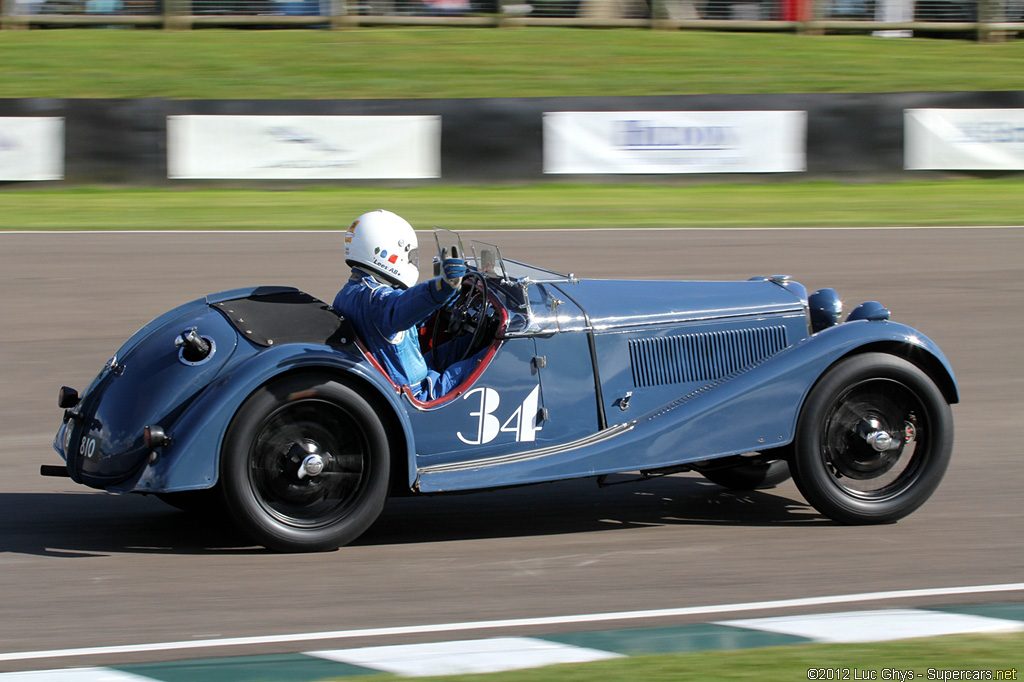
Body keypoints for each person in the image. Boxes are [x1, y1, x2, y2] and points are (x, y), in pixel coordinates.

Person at [333, 209, 483, 402]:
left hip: (408, 375)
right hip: (420, 393)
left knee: (469, 341)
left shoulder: (352, 291)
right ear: (385, 251)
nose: (411, 261)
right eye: (409, 254)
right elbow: (398, 308)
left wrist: (452, 296)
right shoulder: (377, 300)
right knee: (494, 357)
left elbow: (408, 313)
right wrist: (442, 288)